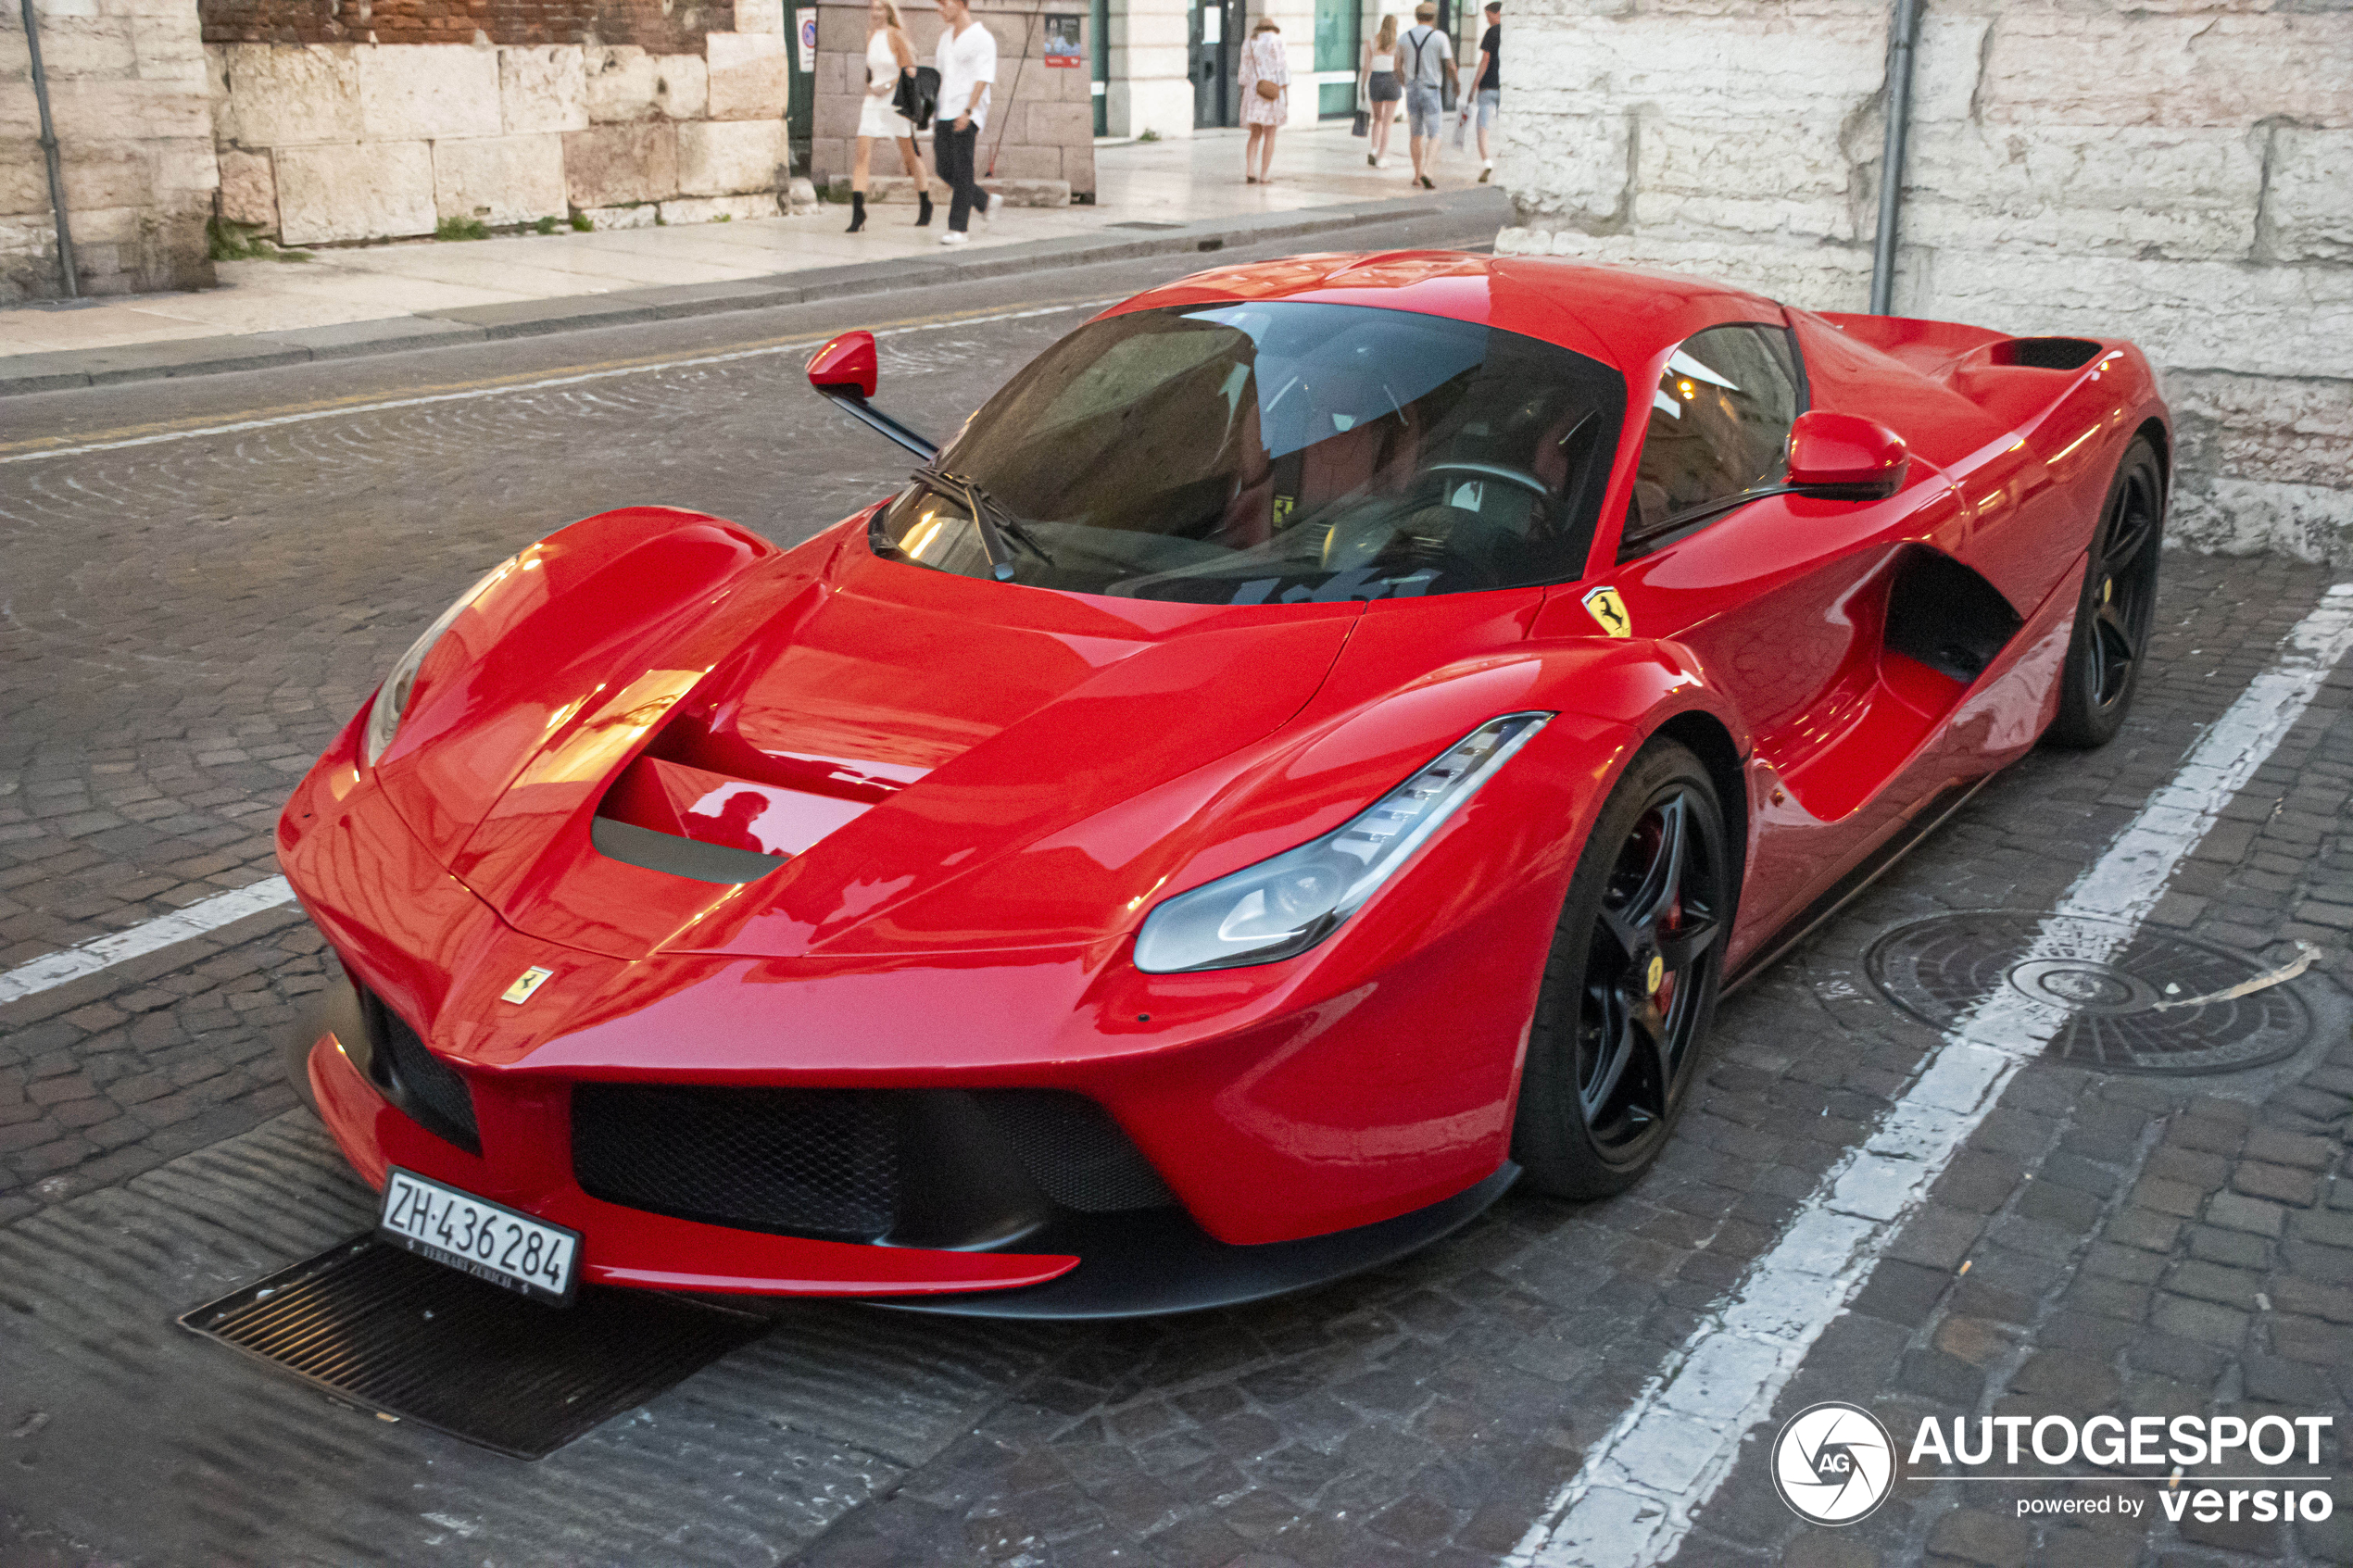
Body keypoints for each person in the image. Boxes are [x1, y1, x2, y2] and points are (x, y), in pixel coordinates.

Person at [849, 0, 928, 231]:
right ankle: (858, 212)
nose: (875, 12)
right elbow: (870, 71)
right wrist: (871, 88)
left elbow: (909, 70)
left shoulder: (896, 36)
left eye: (880, 8)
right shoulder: (870, 35)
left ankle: (925, 203)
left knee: (909, 155)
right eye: (873, 8)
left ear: (888, 11)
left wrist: (887, 86)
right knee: (862, 152)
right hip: (873, 100)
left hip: (895, 100)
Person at [931, 0, 996, 245]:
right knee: (943, 169)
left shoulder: (982, 38)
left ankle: (958, 229)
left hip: (967, 112)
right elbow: (940, 76)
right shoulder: (945, 38)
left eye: (943, 3)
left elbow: (983, 77)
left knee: (962, 167)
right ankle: (984, 202)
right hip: (944, 111)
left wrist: (968, 111)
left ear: (959, 3)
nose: (940, 9)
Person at [1398, 1, 1455, 190]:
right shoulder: (1439, 37)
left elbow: (1396, 66)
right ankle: (1428, 172)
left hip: (1412, 89)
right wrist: (1456, 83)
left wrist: (1404, 82)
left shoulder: (1404, 38)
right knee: (1435, 134)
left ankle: (1416, 174)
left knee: (1415, 134)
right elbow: (1450, 65)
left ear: (1417, 16)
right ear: (1433, 17)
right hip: (1430, 89)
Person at [1237, 16, 1288, 185]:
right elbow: (1282, 69)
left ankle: (1250, 170)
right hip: (1271, 90)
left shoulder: (1249, 42)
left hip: (1254, 90)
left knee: (1255, 133)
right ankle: (1264, 174)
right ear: (1273, 28)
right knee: (1270, 134)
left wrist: (1246, 87)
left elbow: (1243, 71)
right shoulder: (1277, 41)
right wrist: (1285, 94)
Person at [1358, 15, 1402, 169]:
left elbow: (1366, 67)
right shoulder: (1398, 43)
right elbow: (1399, 66)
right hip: (1392, 79)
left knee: (1377, 119)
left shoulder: (1371, 41)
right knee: (1387, 122)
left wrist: (1363, 85)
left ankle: (1374, 149)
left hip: (1375, 79)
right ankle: (1381, 157)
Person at [1466, 0, 1500, 182]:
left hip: (1488, 85)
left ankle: (1487, 162)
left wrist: (1474, 85)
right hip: (1505, 87)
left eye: (1489, 16)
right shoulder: (1510, 33)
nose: (1488, 20)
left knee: (1483, 126)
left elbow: (1485, 60)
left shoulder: (1492, 32)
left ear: (1498, 13)